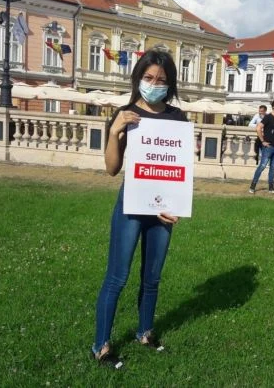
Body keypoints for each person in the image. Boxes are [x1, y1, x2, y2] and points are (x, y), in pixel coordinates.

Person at [92, 49, 185, 368]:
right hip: (131, 203)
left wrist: (172, 203)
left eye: (161, 79)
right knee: (117, 277)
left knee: (152, 277)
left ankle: (145, 332)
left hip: (163, 208)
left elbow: (178, 167)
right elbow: (111, 168)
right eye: (148, 78)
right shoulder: (125, 113)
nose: (154, 83)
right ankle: (100, 346)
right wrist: (116, 130)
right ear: (138, 78)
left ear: (170, 83)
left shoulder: (177, 118)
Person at [248, 99, 274, 194]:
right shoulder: (268, 117)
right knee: (262, 166)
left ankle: (271, 187)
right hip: (268, 147)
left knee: (273, 168)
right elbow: (258, 128)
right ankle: (253, 185)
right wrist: (263, 141)